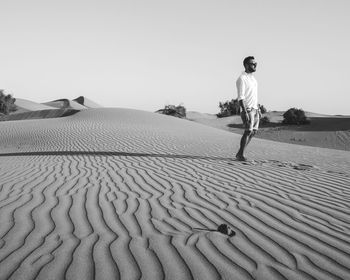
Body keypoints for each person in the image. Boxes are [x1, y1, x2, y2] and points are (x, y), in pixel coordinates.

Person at [235, 56, 260, 161]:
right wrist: (244, 111)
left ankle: (240, 153)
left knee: (253, 132)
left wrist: (258, 108)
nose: (255, 65)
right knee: (248, 131)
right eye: (252, 64)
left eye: (255, 64)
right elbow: (241, 97)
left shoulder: (253, 79)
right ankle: (240, 154)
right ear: (246, 65)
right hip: (248, 109)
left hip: (255, 109)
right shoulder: (242, 78)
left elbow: (254, 95)